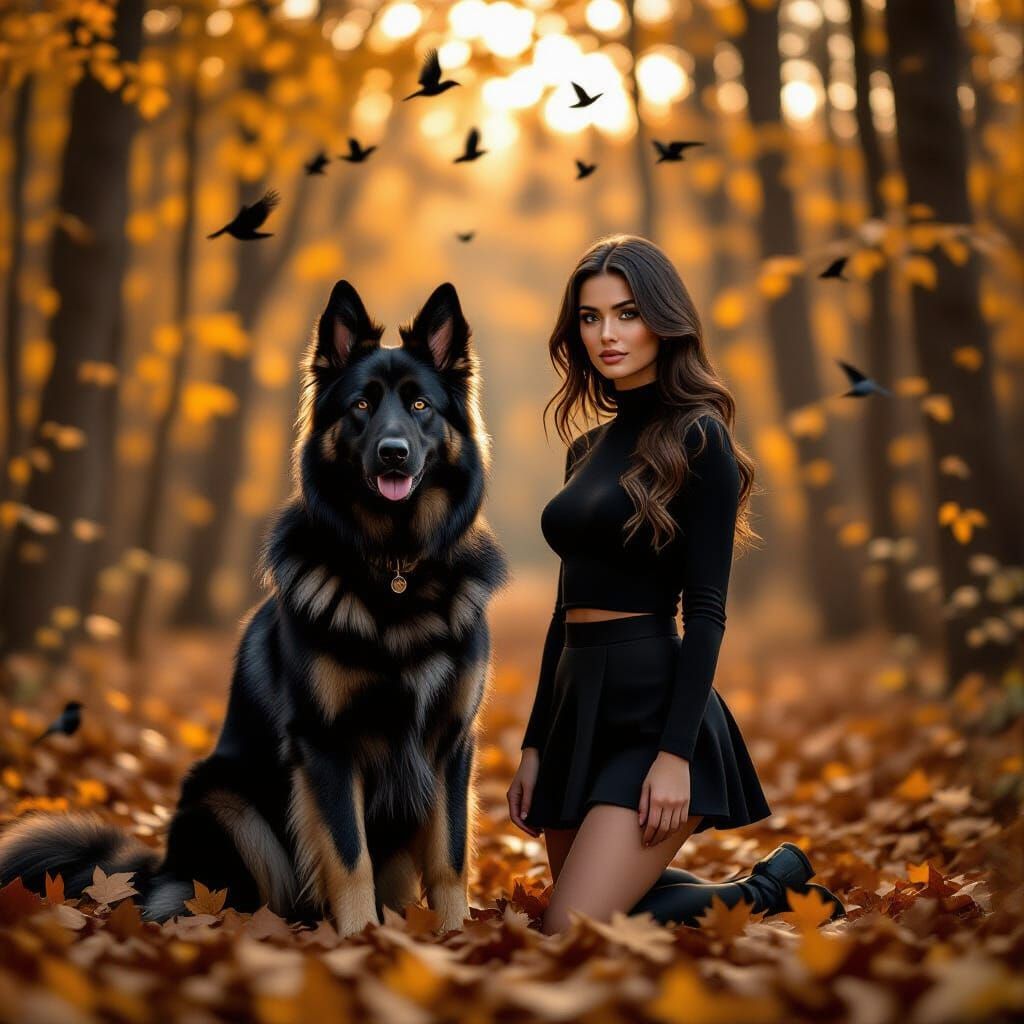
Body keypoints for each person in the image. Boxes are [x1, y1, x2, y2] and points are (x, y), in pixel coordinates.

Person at [506, 235, 844, 934]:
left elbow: (708, 612)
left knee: (570, 929)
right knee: (595, 908)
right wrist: (536, 744)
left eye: (626, 313)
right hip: (578, 710)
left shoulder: (699, 437)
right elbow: (563, 612)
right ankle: (764, 881)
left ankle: (765, 893)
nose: (607, 334)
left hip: (654, 711)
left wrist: (674, 754)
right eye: (591, 318)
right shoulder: (583, 451)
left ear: (662, 319)